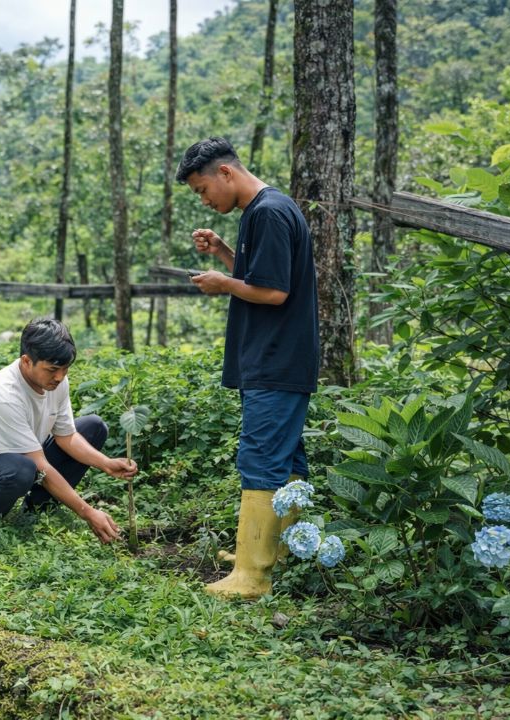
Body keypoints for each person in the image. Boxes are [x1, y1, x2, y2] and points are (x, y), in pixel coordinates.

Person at [176, 136, 319, 598]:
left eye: (202, 189)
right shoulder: (265, 211)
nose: (204, 199)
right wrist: (222, 253)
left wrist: (222, 284)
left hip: (276, 359)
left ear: (225, 173)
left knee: (260, 458)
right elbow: (262, 277)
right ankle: (276, 552)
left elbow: (275, 294)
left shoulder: (268, 212)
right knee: (286, 460)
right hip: (277, 358)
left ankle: (252, 576)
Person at [0, 318, 137, 544]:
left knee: (93, 427)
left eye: (65, 369)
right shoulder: (3, 394)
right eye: (53, 370)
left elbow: (66, 437)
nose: (60, 377)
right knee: (22, 468)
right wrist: (88, 512)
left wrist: (106, 463)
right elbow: (39, 465)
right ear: (27, 361)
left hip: (23, 457)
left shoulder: (56, 382)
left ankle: (37, 510)